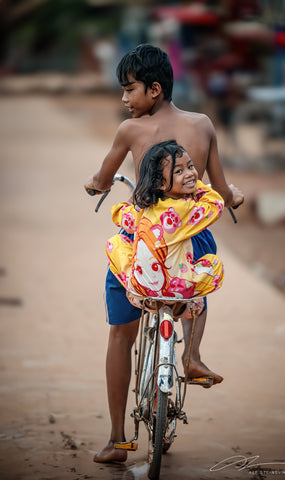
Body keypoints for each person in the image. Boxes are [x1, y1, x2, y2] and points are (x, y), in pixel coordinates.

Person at [84, 44, 244, 463]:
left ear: (153, 90)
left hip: (143, 244)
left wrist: (95, 184)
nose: (124, 99)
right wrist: (235, 197)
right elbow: (221, 190)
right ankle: (191, 356)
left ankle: (118, 439)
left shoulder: (129, 131)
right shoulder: (203, 124)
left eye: (129, 90)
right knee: (197, 278)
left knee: (121, 334)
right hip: (189, 241)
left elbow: (103, 178)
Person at [106, 140, 225, 316]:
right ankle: (183, 309)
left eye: (190, 166)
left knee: (115, 242)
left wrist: (129, 205)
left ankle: (135, 293)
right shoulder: (186, 209)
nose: (190, 173)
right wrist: (197, 185)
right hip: (178, 290)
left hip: (142, 287)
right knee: (215, 265)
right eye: (179, 171)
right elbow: (216, 204)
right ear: (161, 184)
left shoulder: (143, 209)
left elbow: (119, 216)